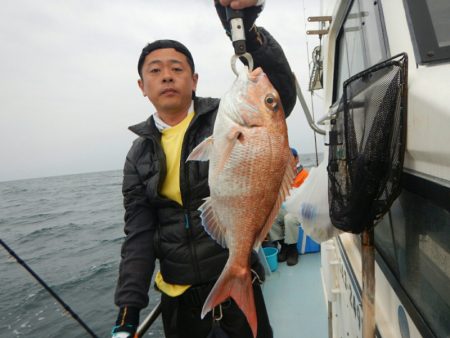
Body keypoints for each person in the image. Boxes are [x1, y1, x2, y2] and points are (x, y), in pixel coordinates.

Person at [111, 1, 296, 337]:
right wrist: (128, 312)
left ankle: (236, 275)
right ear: (142, 86)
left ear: (194, 80)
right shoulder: (138, 156)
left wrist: (243, 22)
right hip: (178, 301)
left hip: (236, 278)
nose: (167, 75)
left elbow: (280, 91)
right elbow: (138, 236)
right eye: (155, 70)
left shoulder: (219, 119)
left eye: (177, 69)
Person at [268, 148, 308, 266]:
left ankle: (292, 249)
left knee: (289, 219)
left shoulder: (305, 174)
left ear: (297, 159)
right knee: (271, 217)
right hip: (287, 207)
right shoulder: (283, 177)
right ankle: (284, 245)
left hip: (300, 209)